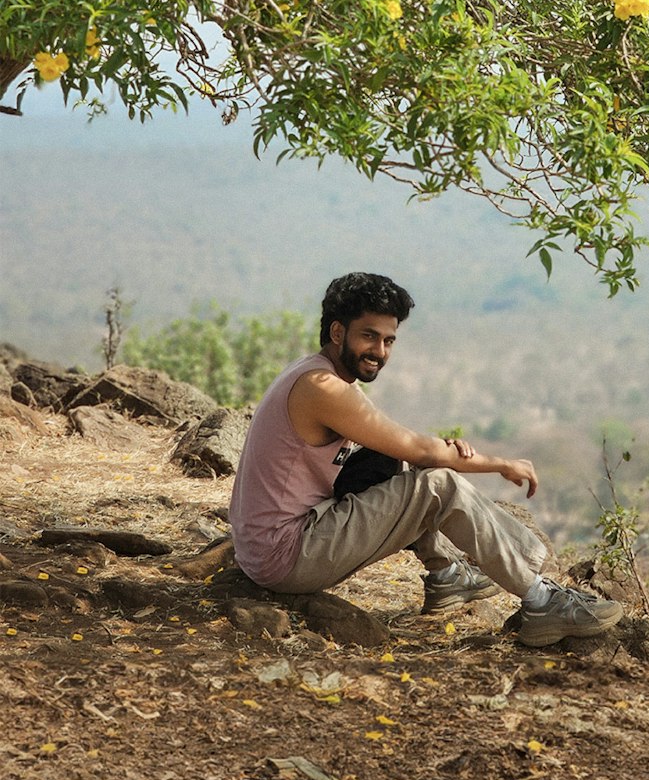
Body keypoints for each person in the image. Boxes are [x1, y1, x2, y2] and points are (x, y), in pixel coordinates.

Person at [229, 271, 624, 647]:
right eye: (369, 336)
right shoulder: (322, 388)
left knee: (389, 462)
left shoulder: (315, 373)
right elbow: (419, 448)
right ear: (337, 332)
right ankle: (541, 601)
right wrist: (500, 463)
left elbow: (403, 447)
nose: (379, 352)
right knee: (439, 485)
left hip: (269, 547)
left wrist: (436, 452)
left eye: (389, 340)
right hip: (284, 555)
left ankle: (447, 575)